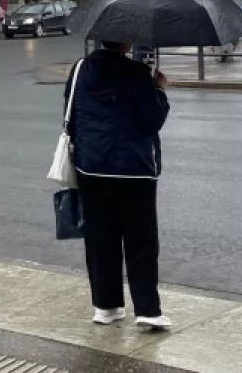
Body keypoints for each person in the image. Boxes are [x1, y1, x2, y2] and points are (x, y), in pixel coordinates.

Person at [65, 41, 171, 331]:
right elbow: (152, 121)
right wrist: (159, 89)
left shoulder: (79, 70)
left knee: (100, 237)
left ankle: (106, 306)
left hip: (90, 167)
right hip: (134, 170)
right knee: (141, 240)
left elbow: (70, 117)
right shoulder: (138, 73)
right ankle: (147, 309)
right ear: (125, 41)